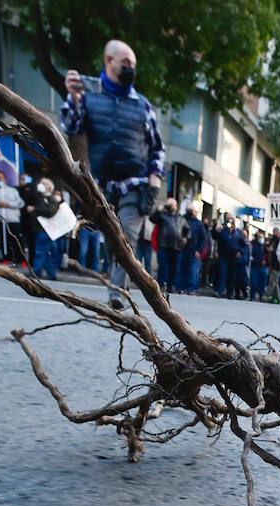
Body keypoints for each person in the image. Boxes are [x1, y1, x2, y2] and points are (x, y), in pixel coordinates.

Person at [61, 39, 165, 306]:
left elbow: (157, 148)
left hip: (136, 184)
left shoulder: (143, 106)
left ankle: (117, 292)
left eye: (133, 64)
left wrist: (154, 181)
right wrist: (73, 98)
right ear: (109, 61)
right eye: (126, 62)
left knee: (127, 235)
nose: (131, 68)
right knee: (111, 238)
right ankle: (120, 282)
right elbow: (70, 127)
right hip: (103, 185)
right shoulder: (89, 97)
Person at [27, 178, 61, 279]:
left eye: (44, 184)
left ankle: (37, 271)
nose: (40, 185)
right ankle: (51, 273)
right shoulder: (39, 197)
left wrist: (35, 209)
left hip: (46, 229)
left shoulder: (52, 199)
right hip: (39, 229)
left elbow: (50, 212)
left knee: (40, 251)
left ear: (49, 187)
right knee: (45, 252)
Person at [150, 197, 184, 293]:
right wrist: (158, 210)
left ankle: (170, 286)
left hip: (176, 247)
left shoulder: (180, 218)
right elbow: (152, 219)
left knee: (174, 268)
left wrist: (186, 238)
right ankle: (160, 285)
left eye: (172, 205)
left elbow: (187, 229)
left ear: (176, 206)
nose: (170, 207)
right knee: (162, 266)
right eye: (168, 204)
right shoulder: (162, 215)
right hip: (163, 245)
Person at [177, 205, 206, 293]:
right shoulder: (181, 220)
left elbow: (202, 239)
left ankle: (192, 289)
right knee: (181, 269)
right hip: (182, 249)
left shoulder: (199, 224)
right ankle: (180, 288)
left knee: (193, 271)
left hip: (193, 250)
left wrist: (199, 250)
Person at [249, 230, 268, 300]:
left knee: (262, 283)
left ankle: (261, 296)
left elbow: (268, 255)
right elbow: (251, 255)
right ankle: (252, 296)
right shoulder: (253, 245)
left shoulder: (266, 246)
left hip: (263, 267)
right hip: (255, 266)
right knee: (253, 283)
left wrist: (265, 261)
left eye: (262, 237)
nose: (261, 239)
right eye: (260, 237)